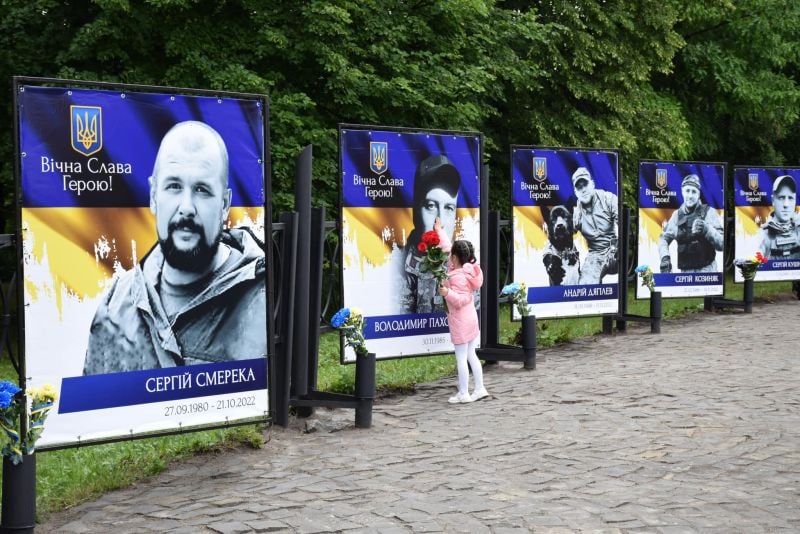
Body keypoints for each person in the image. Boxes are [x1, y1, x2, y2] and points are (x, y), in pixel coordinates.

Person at [83, 121, 267, 375]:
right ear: (153, 196)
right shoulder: (117, 304)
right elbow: (97, 404)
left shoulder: (266, 296)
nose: (186, 207)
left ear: (225, 204)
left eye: (202, 190)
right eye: (174, 186)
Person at [402, 154, 461, 313]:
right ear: (415, 209)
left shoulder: (464, 266)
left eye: (449, 208)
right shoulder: (394, 267)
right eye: (430, 205)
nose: (439, 221)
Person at [437, 239, 488, 404]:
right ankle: (479, 388)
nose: (448, 256)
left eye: (451, 254)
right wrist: (439, 231)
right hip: (471, 319)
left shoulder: (455, 277)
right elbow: (447, 247)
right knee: (471, 354)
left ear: (455, 258)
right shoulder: (468, 271)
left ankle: (464, 393)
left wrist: (446, 293)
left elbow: (459, 300)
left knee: (461, 357)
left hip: (460, 322)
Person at [658, 174, 724, 273]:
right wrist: (665, 258)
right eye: (687, 191)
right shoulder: (677, 215)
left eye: (694, 192)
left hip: (707, 271)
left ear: (698, 194)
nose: (690, 195)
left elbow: (722, 244)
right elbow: (663, 238)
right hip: (685, 274)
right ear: (682, 192)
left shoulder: (709, 212)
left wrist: (707, 229)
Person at [571, 167, 618, 284]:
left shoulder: (609, 199)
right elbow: (566, 235)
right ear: (576, 192)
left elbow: (622, 225)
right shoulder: (576, 213)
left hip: (615, 249)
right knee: (585, 285)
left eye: (585, 184)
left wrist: (616, 248)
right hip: (595, 254)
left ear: (592, 184)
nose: (583, 190)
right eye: (579, 187)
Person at [758, 174, 800, 260]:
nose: (786, 205)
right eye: (781, 198)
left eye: (790, 198)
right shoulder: (761, 234)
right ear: (773, 200)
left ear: (795, 201)